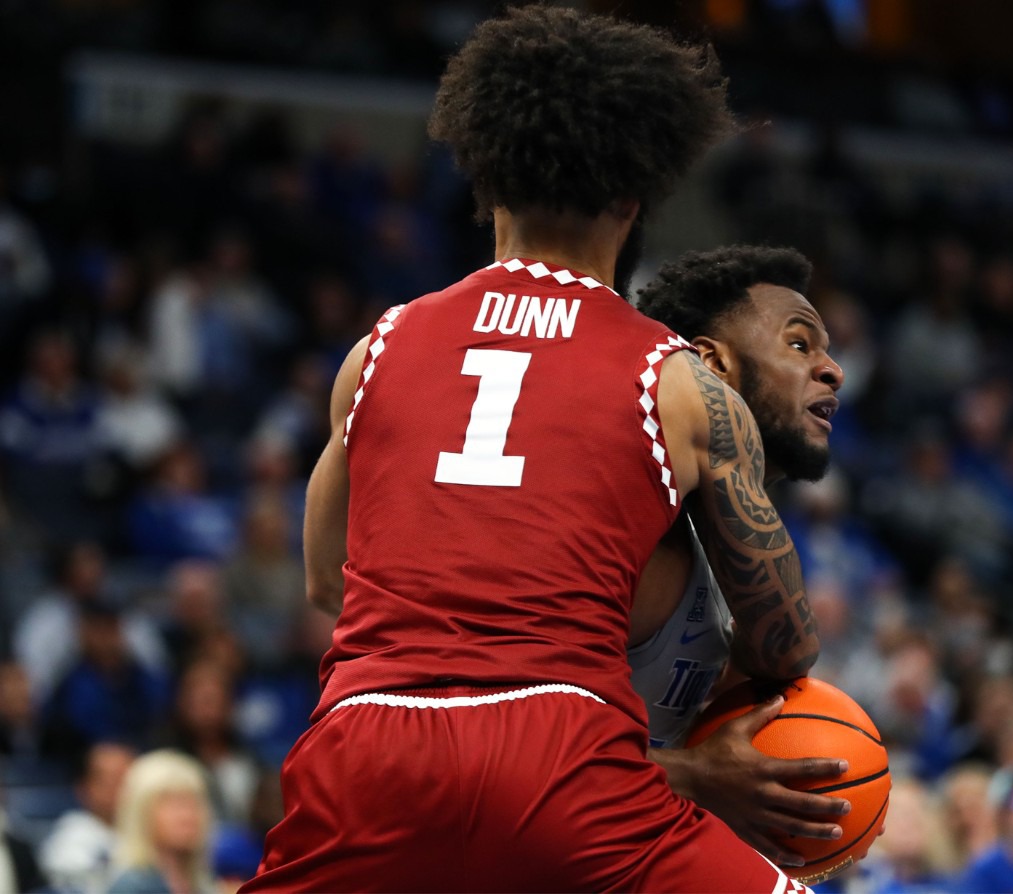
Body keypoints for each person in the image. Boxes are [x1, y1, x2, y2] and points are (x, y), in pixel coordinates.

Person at [243, 7, 823, 892]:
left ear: (489, 184)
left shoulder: (379, 350)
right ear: (635, 196)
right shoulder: (682, 382)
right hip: (561, 751)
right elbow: (785, 644)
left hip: (368, 740)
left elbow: (329, 580)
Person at [631, 244, 852, 856]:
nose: (834, 370)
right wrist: (691, 776)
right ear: (711, 366)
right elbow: (508, 732)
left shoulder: (739, 544)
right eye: (801, 344)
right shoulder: (649, 531)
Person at [106, 749, 216, 894]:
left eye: (192, 801)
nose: (186, 814)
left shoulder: (203, 883)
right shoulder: (132, 887)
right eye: (171, 802)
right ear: (141, 812)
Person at [38, 740, 136, 894]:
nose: (121, 789)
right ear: (83, 787)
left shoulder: (151, 833)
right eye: (110, 780)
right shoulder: (70, 840)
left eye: (127, 780)